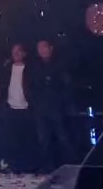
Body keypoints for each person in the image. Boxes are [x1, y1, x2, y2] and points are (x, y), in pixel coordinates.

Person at [26, 38, 73, 171]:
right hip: (40, 109)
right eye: (39, 48)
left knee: (63, 138)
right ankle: (47, 169)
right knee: (43, 140)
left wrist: (62, 102)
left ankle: (68, 167)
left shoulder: (60, 64)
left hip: (57, 108)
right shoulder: (34, 66)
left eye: (44, 47)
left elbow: (67, 85)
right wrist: (34, 102)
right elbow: (29, 86)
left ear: (51, 48)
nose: (42, 50)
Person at [2, 43, 33, 172]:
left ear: (24, 53)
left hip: (25, 108)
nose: (16, 54)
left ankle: (26, 167)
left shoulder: (29, 69)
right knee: (11, 140)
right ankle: (13, 167)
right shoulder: (7, 68)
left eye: (18, 51)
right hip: (11, 108)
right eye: (13, 51)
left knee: (25, 140)